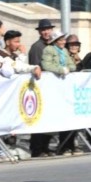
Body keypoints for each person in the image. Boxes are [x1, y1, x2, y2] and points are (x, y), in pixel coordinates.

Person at [28, 19, 56, 158]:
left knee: (49, 118)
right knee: (39, 118)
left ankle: (45, 146)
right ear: (39, 32)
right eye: (43, 30)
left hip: (50, 87)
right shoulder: (36, 47)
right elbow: (35, 65)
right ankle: (37, 148)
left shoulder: (53, 45)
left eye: (48, 29)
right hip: (41, 86)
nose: (46, 32)